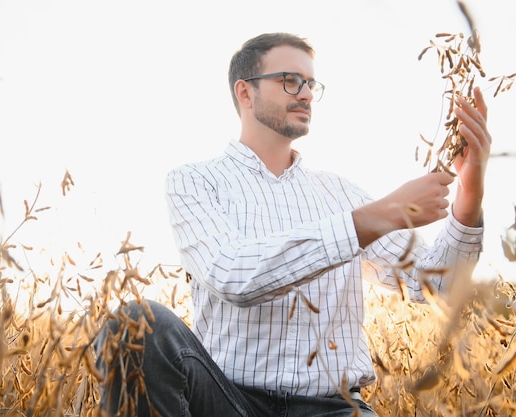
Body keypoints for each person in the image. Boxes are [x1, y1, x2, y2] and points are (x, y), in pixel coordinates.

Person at [95, 32, 490, 417]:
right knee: (132, 325)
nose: (305, 93)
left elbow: (437, 286)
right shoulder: (195, 182)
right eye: (290, 81)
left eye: (311, 84)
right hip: (226, 401)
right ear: (245, 93)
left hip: (334, 407)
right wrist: (373, 218)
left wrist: (470, 194)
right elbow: (233, 274)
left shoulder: (341, 194)